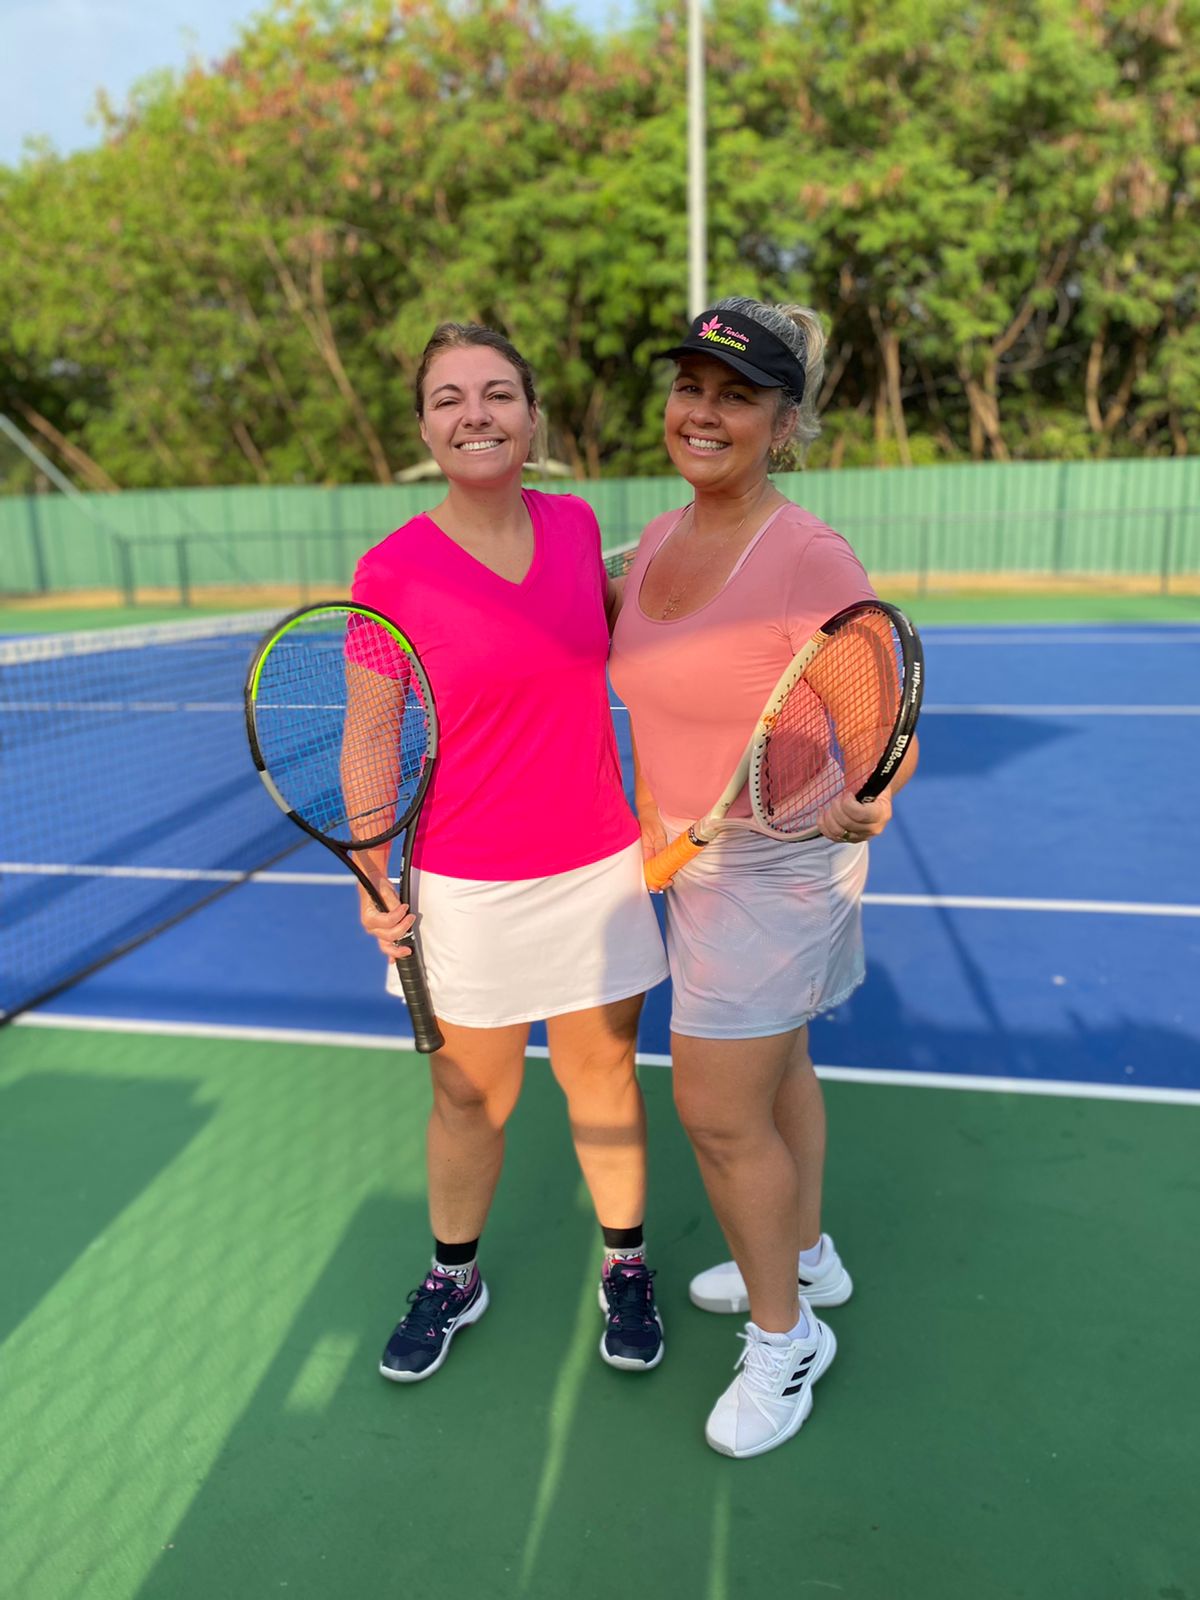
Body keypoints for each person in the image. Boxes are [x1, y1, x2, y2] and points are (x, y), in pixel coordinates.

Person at [608, 296, 919, 1458]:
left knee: (716, 1110)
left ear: (784, 424)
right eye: (690, 386)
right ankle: (803, 1255)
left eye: (737, 397)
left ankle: (787, 1341)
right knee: (780, 1068)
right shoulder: (655, 540)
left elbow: (886, 730)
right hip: (692, 856)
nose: (703, 411)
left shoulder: (806, 556)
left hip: (778, 863)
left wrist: (866, 797)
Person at [351, 322, 669, 1384]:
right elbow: (369, 738)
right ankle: (454, 1276)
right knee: (468, 1099)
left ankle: (626, 1263)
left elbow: (639, 653)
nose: (474, 414)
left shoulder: (577, 527)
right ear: (423, 428)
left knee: (602, 1076)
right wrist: (371, 875)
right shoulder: (389, 570)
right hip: (464, 882)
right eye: (448, 398)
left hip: (597, 870)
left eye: (496, 393)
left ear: (532, 417)